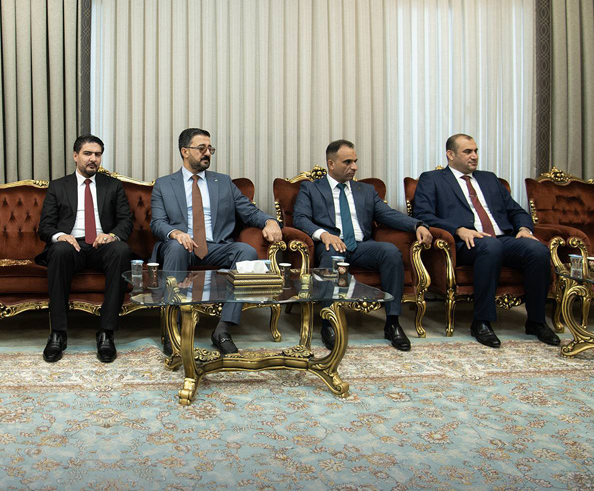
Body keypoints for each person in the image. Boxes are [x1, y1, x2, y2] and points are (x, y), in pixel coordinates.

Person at [412, 133, 560, 348]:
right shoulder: (432, 179)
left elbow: (516, 211)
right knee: (490, 247)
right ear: (450, 154)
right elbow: (423, 215)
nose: (474, 156)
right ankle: (482, 322)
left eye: (476, 151)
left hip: (503, 238)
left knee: (537, 250)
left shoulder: (489, 179)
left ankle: (537, 322)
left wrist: (524, 229)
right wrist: (458, 230)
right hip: (467, 243)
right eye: (467, 152)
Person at [150, 128, 283, 355]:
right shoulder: (164, 184)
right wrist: (176, 233)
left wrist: (270, 221)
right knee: (175, 247)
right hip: (180, 246)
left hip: (216, 246)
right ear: (184, 151)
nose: (207, 153)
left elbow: (249, 212)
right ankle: (174, 329)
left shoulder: (223, 182)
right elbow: (157, 223)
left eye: (210, 149)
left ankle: (222, 329)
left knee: (246, 252)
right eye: (201, 148)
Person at [293, 140, 433, 351]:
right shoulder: (311, 188)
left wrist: (417, 225)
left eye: (355, 161)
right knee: (331, 257)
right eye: (347, 162)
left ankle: (392, 323)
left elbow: (387, 214)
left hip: (362, 246)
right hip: (332, 245)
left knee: (390, 252)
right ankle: (329, 323)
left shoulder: (366, 190)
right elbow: (300, 218)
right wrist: (324, 235)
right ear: (331, 164)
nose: (355, 167)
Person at [35, 135, 133, 363]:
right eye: (88, 154)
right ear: (75, 156)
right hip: (71, 245)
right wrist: (61, 236)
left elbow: (125, 222)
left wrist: (111, 236)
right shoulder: (58, 186)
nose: (93, 159)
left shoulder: (113, 186)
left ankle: (106, 333)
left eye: (97, 154)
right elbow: (45, 227)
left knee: (121, 250)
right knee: (59, 250)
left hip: (102, 246)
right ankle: (58, 333)